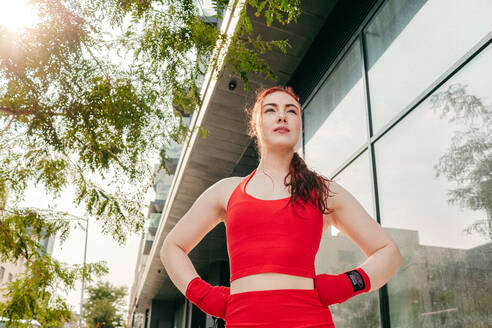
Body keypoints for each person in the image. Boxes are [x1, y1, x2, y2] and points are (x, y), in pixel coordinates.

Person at [160, 86, 403, 327]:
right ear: (256, 126)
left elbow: (388, 252)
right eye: (271, 110)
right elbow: (172, 247)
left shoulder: (323, 191)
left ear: (299, 125)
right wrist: (206, 297)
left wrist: (343, 285)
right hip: (243, 320)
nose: (281, 116)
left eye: (291, 111)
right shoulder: (227, 191)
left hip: (309, 320)